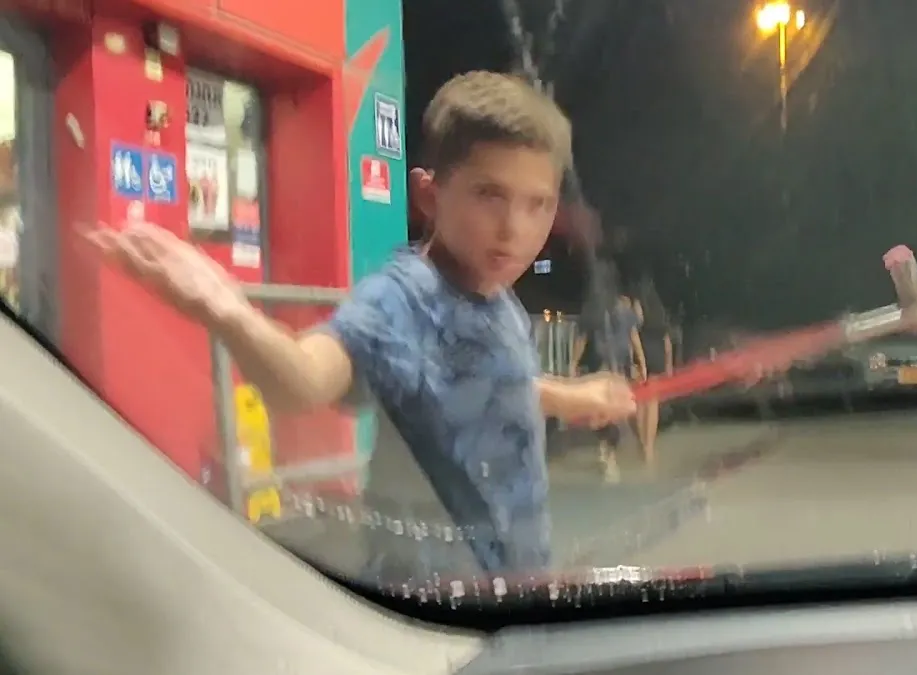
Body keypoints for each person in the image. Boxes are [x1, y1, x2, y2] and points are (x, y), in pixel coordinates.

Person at [87, 71, 636, 579]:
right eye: (489, 194)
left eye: (538, 204)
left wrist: (569, 396)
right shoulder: (402, 299)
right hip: (434, 607)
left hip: (514, 585)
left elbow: (475, 381)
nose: (514, 228)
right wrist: (225, 309)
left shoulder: (497, 296)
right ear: (428, 195)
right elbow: (305, 379)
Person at [570, 291, 646, 483]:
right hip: (612, 369)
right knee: (610, 412)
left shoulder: (595, 310)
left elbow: (582, 339)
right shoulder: (618, 311)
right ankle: (612, 452)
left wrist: (573, 364)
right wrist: (641, 363)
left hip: (606, 368)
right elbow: (633, 338)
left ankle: (610, 451)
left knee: (608, 412)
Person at [632, 278, 672, 466]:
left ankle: (643, 446)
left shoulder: (637, 304)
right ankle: (649, 447)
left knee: (641, 403)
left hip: (642, 355)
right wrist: (669, 365)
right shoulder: (659, 311)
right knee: (653, 403)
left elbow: (634, 327)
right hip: (658, 357)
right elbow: (667, 341)